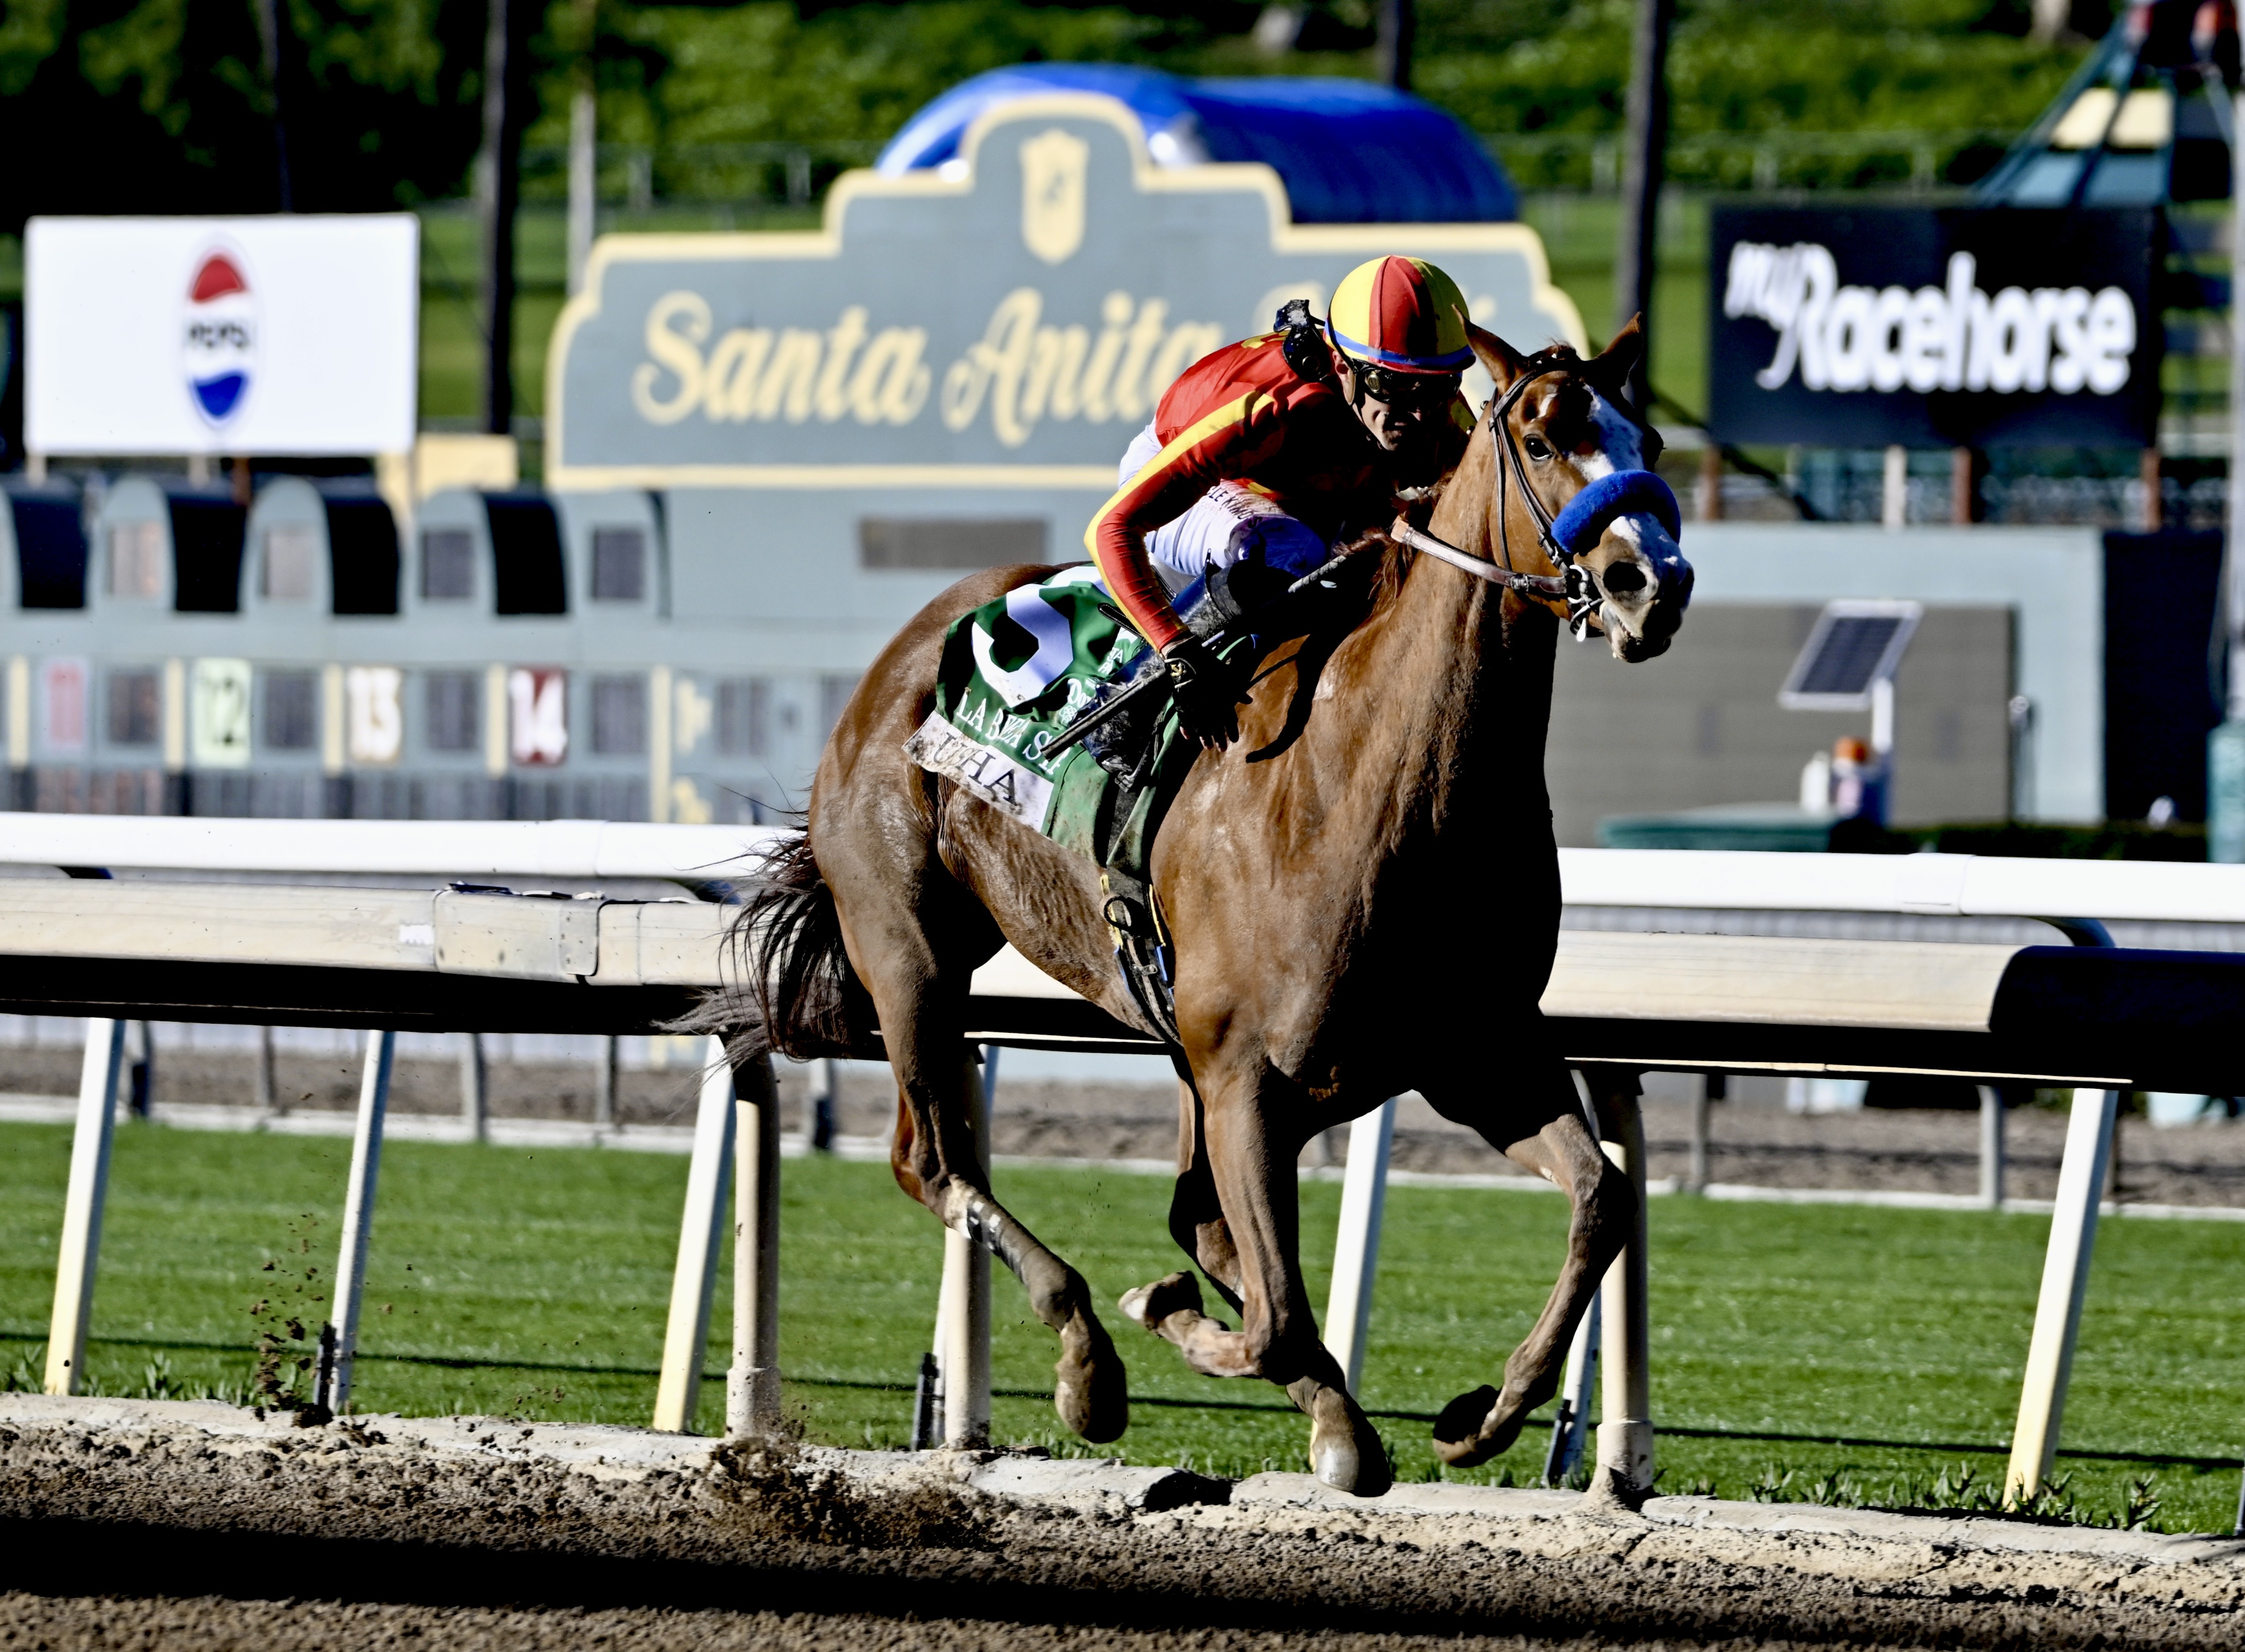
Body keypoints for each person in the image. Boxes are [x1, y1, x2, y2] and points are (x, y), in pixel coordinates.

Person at [1083, 255, 1480, 755]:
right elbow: (1111, 527)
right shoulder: (1270, 404)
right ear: (1341, 366)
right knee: (1293, 552)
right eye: (1394, 386)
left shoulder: (1441, 416)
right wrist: (1176, 649)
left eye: (1438, 384)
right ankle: (1120, 708)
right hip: (1195, 475)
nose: (1420, 412)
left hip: (1304, 491)